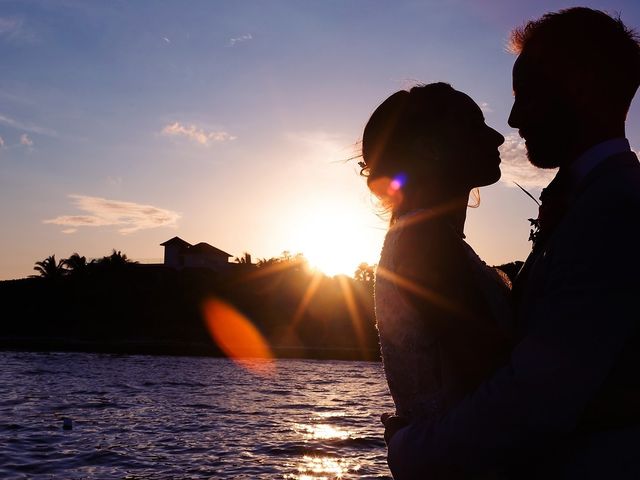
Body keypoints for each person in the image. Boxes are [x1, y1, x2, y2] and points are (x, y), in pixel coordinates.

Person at [383, 7, 640, 479]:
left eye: (526, 94)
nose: (513, 119)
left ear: (579, 86)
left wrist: (407, 450)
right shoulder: (590, 200)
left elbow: (531, 401)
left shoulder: (614, 207)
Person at [360, 83, 514, 477]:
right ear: (430, 148)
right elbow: (495, 376)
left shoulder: (424, 239)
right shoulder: (425, 244)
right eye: (475, 126)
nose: (496, 136)